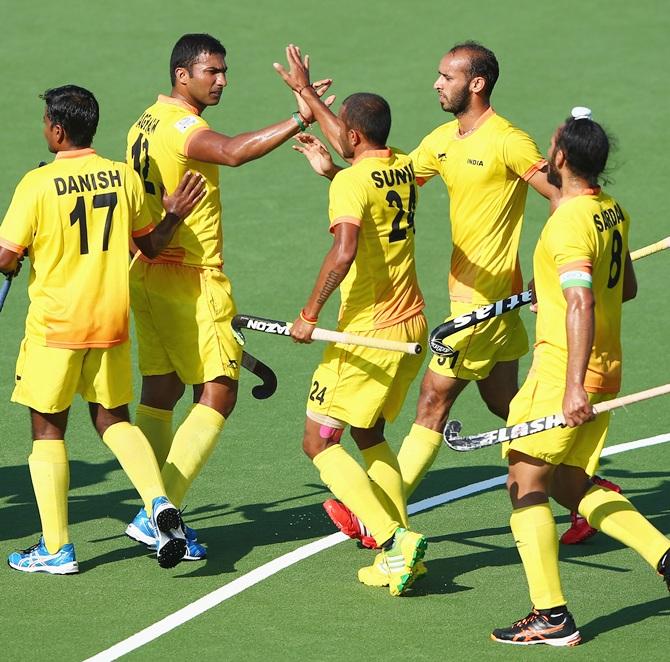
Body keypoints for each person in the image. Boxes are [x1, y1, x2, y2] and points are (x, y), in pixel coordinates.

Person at [275, 42, 557, 545]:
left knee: (432, 402)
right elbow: (379, 182)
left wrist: (553, 266)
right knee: (505, 405)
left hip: (482, 303)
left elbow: (562, 198)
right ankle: (583, 481)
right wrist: (330, 155)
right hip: (463, 300)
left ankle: (380, 520)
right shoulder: (439, 141)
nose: (436, 83)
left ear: (476, 84)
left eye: (446, 76)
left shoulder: (509, 141)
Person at [123, 33, 333, 560]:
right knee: (219, 392)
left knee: (161, 392)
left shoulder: (142, 122)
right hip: (193, 279)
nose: (221, 80)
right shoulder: (183, 129)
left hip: (147, 270)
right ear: (182, 75)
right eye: (211, 72)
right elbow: (235, 152)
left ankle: (151, 503)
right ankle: (158, 512)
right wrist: (302, 118)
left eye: (224, 70)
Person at [0, 85, 205, 574]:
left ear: (56, 129)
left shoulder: (37, 183)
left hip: (56, 327)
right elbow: (149, 246)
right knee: (113, 419)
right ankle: (158, 504)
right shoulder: (122, 177)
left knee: (48, 430)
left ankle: (56, 549)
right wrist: (174, 213)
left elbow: (6, 258)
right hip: (111, 323)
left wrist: (20, 252)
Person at [491, 109, 670, 646]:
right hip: (607, 368)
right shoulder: (611, 211)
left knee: (524, 481)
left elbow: (580, 299)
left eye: (551, 144)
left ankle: (550, 614)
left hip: (564, 369)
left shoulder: (567, 222)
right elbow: (628, 288)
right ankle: (664, 553)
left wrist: (570, 386)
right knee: (571, 482)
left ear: (561, 158)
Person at [289, 91, 428, 595]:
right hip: (412, 325)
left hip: (367, 335)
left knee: (318, 441)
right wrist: (330, 169)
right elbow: (372, 206)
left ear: (351, 135)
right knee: (369, 433)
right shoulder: (404, 168)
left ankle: (393, 539)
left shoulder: (352, 181)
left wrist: (309, 314)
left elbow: (344, 251)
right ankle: (401, 543)